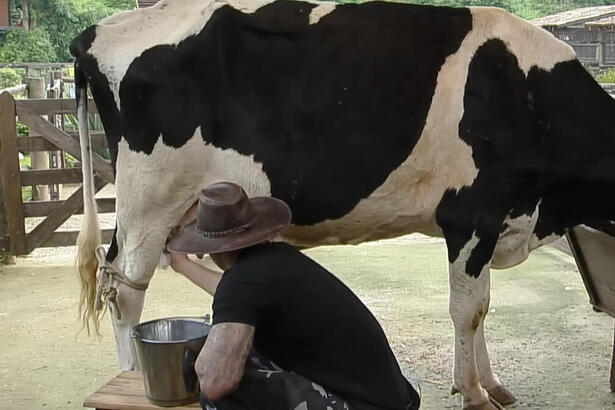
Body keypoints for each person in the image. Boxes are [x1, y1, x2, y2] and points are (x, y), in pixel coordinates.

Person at [167, 181, 421, 410]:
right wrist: (183, 265)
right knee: (236, 357)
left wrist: (201, 365)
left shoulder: (243, 282)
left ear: (207, 248)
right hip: (390, 400)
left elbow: (215, 383)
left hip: (360, 407)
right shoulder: (274, 263)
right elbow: (236, 296)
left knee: (218, 393)